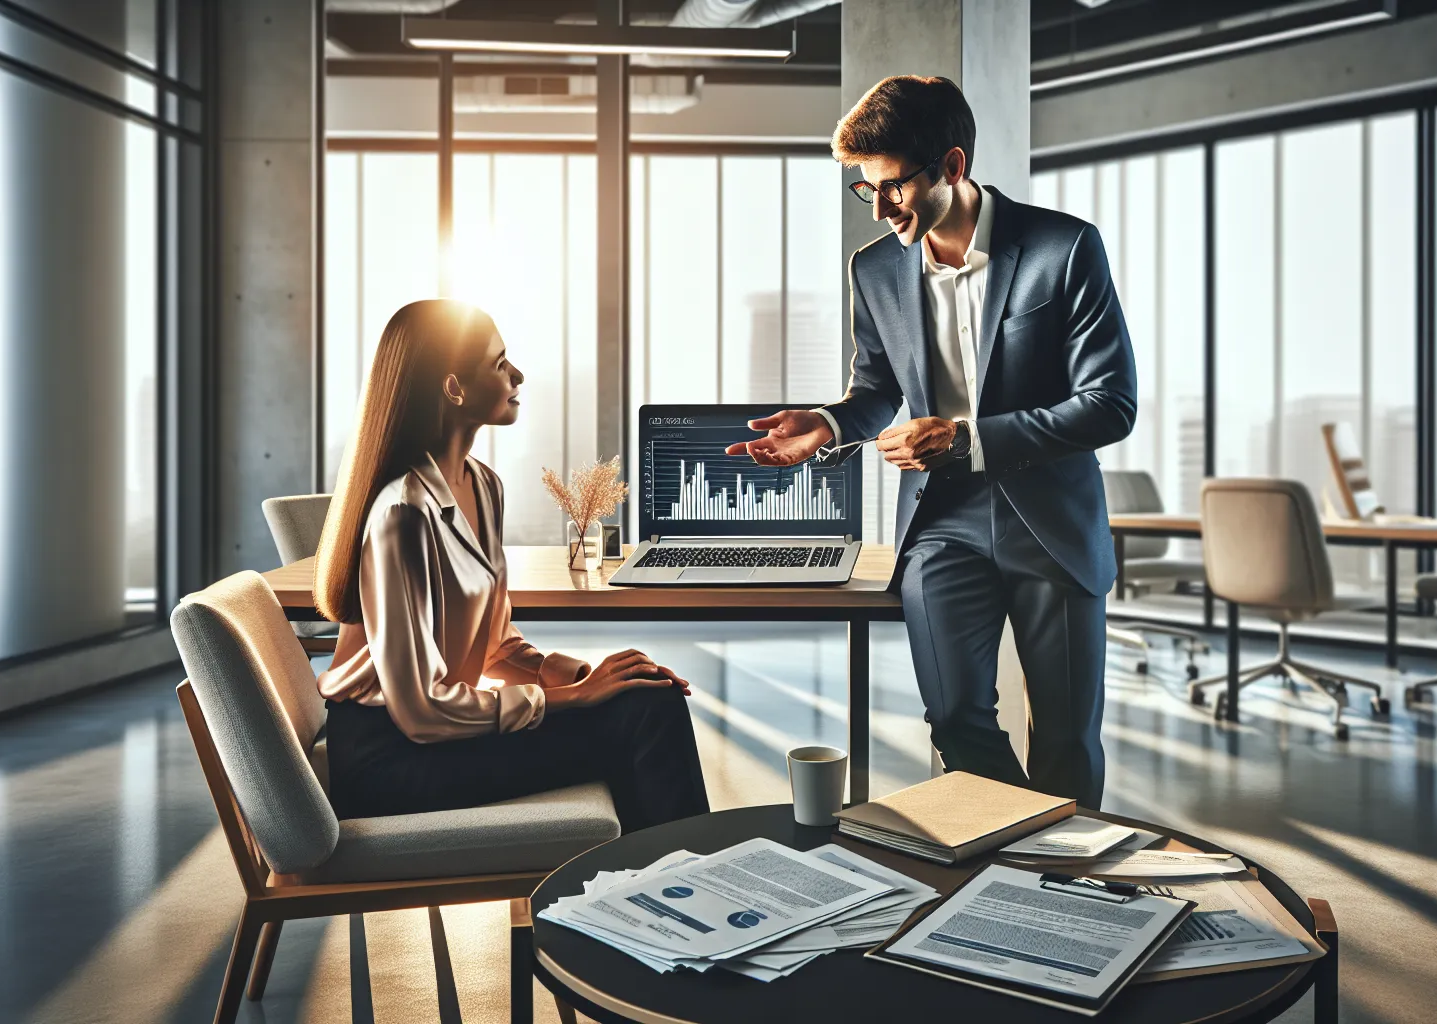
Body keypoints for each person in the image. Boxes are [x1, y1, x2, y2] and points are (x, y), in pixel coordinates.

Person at [726, 76, 1136, 809]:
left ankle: (1066, 896)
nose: (880, 211)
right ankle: (1008, 867)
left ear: (951, 165)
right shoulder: (875, 270)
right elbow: (876, 388)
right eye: (866, 191)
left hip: (1052, 524)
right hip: (939, 527)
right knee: (953, 721)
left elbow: (1110, 405)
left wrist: (967, 439)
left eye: (892, 188)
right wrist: (826, 425)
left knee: (1068, 739)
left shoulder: (1063, 249)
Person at [313, 298, 710, 829]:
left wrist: (594, 677)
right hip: (390, 760)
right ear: (453, 388)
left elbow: (496, 646)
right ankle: (668, 894)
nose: (517, 374)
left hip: (443, 734)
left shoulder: (484, 486)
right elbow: (420, 711)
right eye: (500, 364)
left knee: (647, 695)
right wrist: (568, 699)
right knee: (643, 720)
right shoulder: (403, 513)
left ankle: (646, 894)